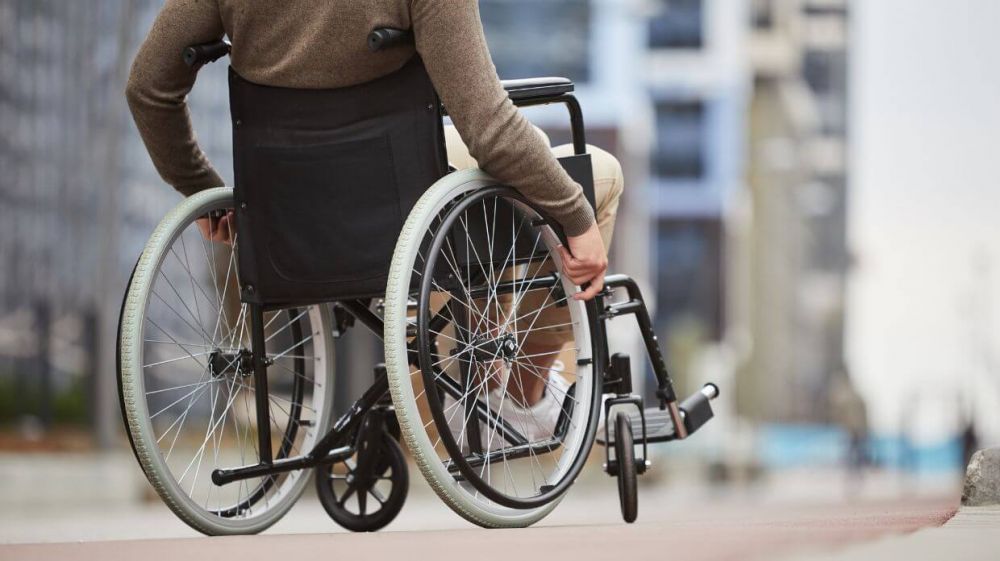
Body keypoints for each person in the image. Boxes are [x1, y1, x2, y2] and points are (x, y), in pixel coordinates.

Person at [126, 0, 624, 440]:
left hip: (287, 214)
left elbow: (147, 89)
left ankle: (472, 376)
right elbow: (489, 129)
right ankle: (522, 391)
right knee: (596, 174)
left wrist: (205, 192)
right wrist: (575, 217)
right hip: (399, 206)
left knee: (501, 167)